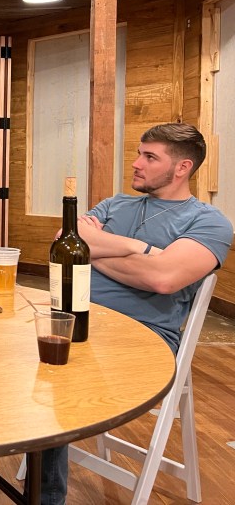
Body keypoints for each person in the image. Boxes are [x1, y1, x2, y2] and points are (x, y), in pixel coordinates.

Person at [40, 122, 233, 505]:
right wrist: (139, 249)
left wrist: (93, 249)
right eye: (138, 154)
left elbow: (163, 279)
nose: (136, 163)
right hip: (73, 321)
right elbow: (63, 243)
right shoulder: (115, 204)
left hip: (143, 339)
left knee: (54, 373)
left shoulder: (209, 222)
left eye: (149, 157)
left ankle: (46, 497)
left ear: (182, 168)